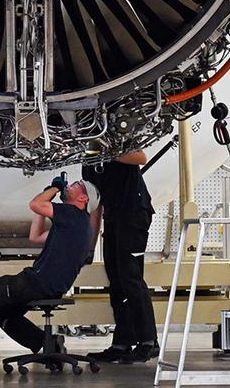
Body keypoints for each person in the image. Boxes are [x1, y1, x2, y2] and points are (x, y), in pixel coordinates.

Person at [0, 175, 99, 375]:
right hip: (49, 287)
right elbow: (36, 236)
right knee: (0, 312)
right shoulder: (78, 224)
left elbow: (35, 204)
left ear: (83, 199)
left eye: (76, 186)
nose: (70, 186)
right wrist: (45, 203)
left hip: (34, 282)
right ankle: (46, 344)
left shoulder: (71, 213)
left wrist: (53, 189)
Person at [83, 150, 159, 364]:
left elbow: (141, 158)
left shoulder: (117, 141)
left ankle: (148, 341)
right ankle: (122, 343)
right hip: (114, 217)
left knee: (131, 277)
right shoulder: (88, 164)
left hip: (134, 212)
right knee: (116, 280)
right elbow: (95, 209)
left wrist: (106, 152)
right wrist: (90, 248)